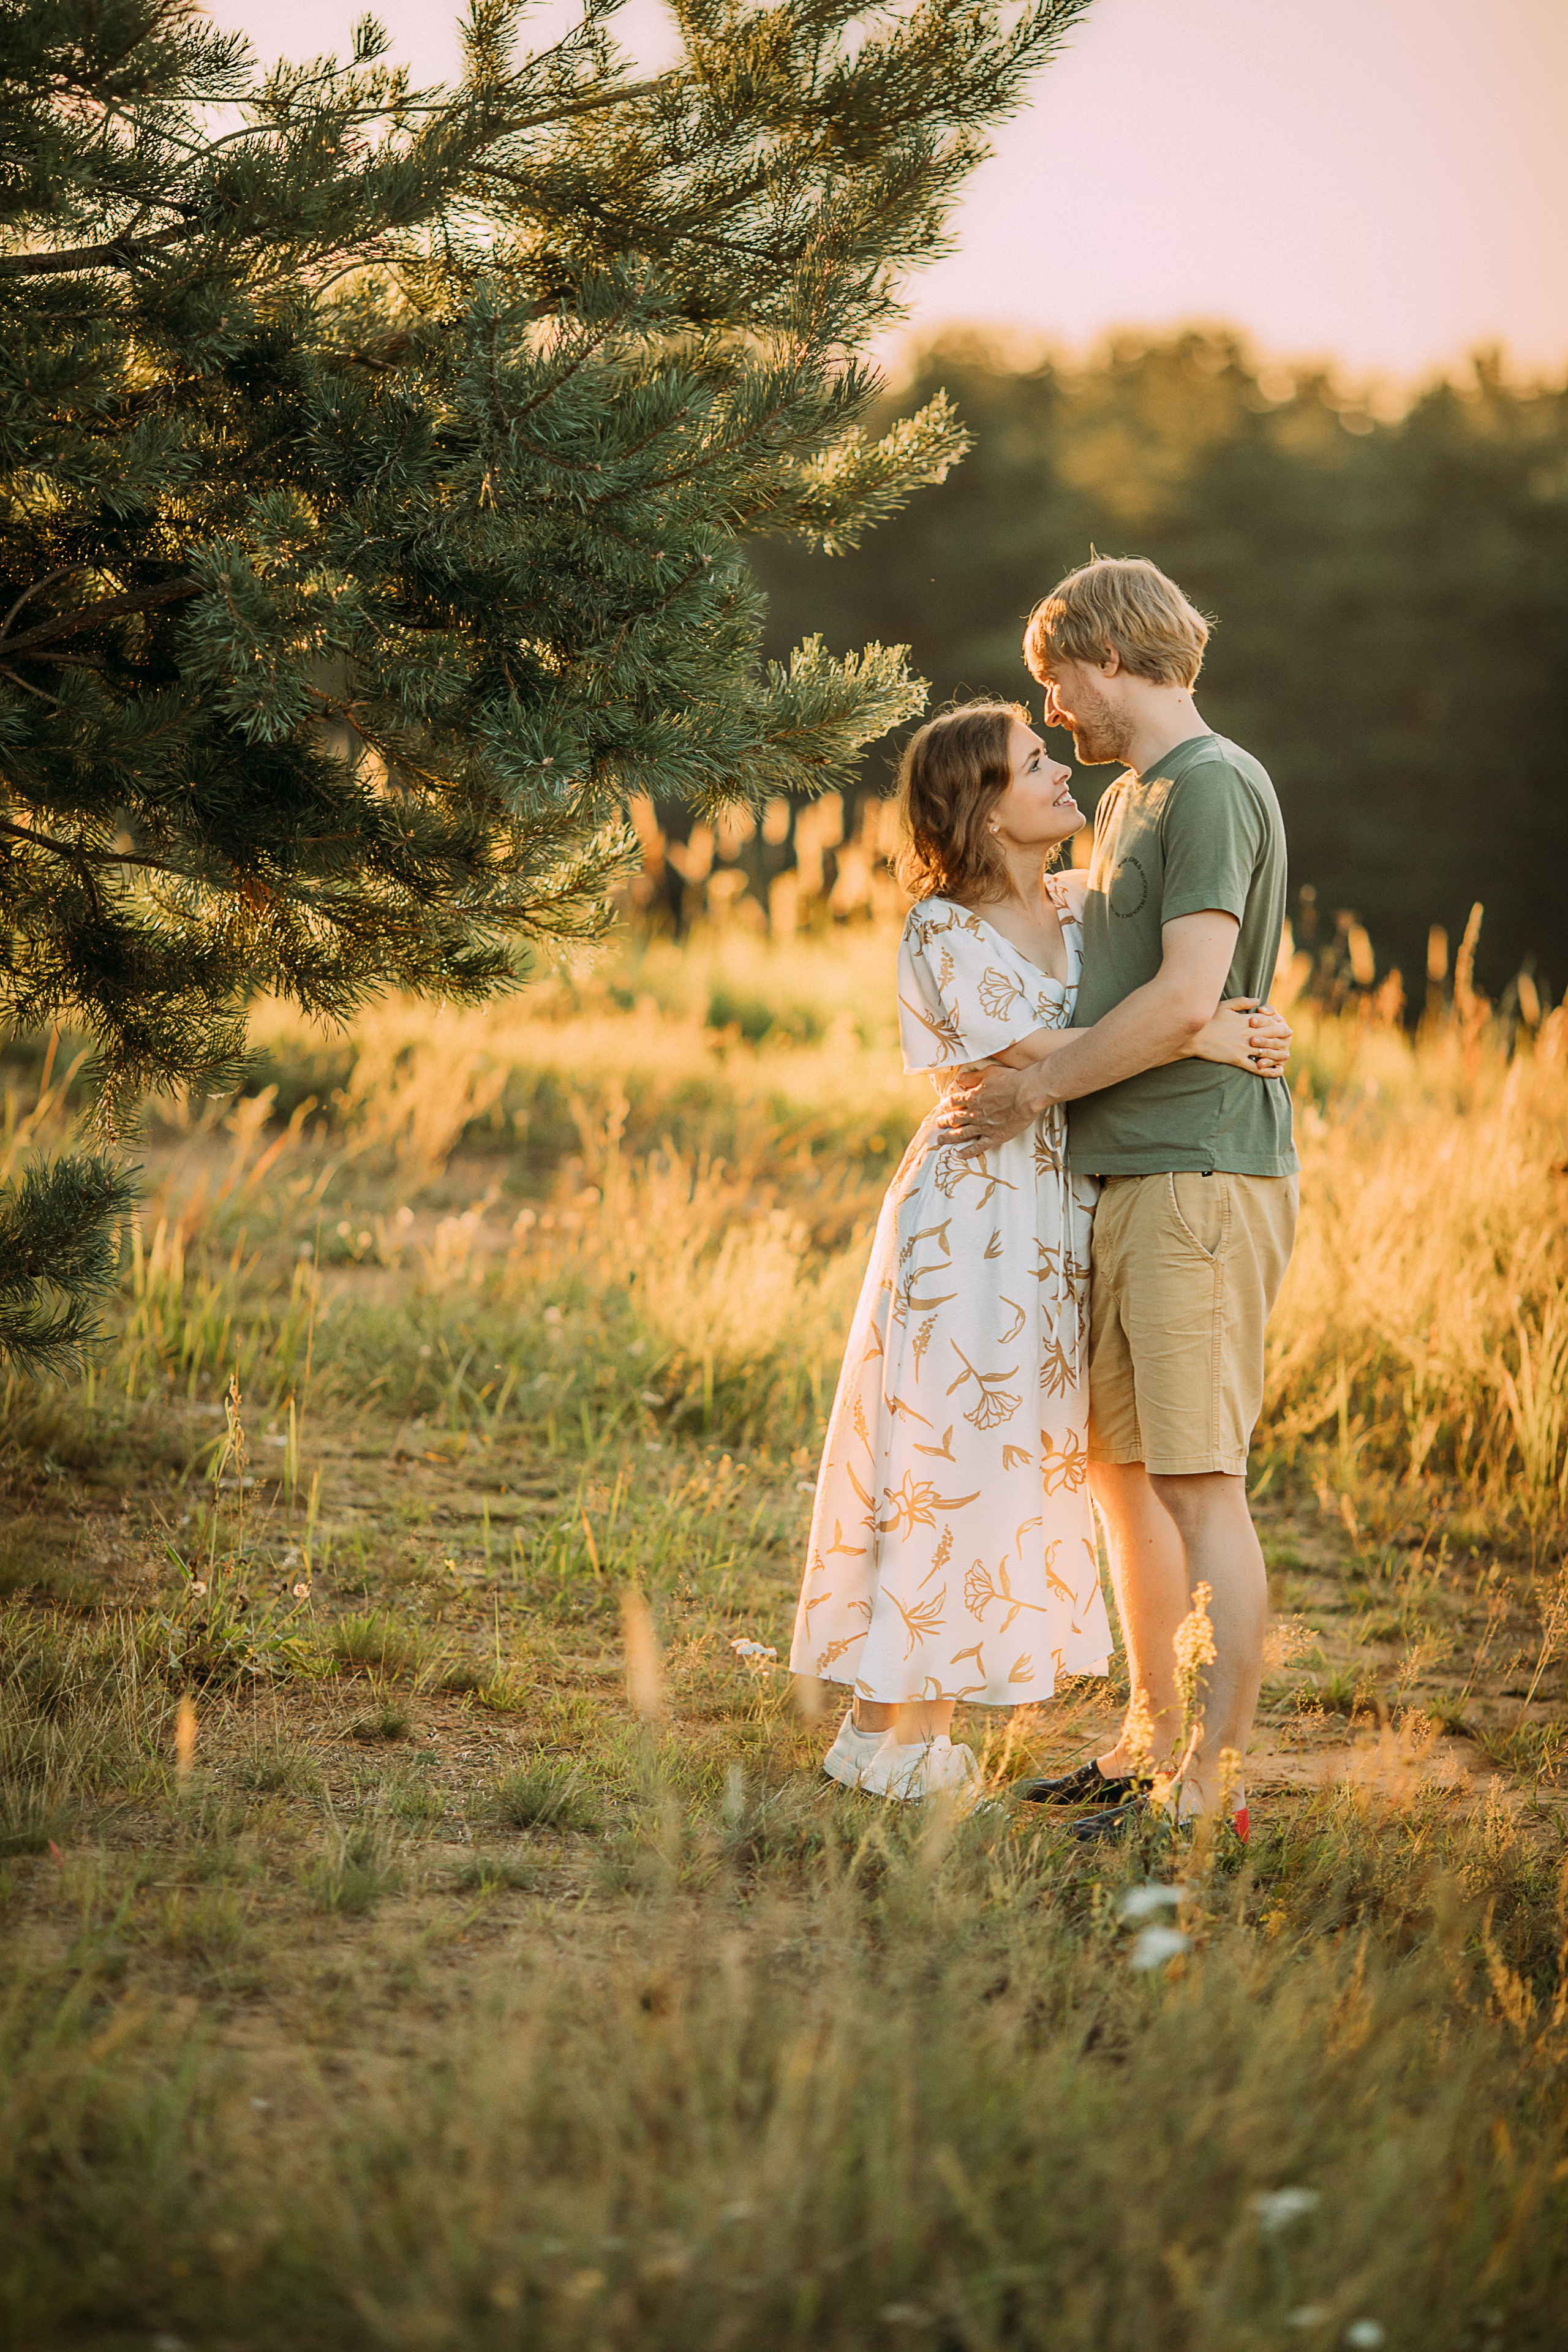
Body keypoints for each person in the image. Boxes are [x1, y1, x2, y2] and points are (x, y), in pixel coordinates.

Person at [790, 696, 1290, 1802]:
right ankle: (900, 1732)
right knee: (945, 1458)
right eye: (1033, 764)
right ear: (983, 810)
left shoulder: (1078, 906)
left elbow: (1152, 989)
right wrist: (1202, 1027)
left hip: (1062, 1212)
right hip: (973, 1218)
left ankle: (899, 1729)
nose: (1063, 771)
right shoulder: (941, 928)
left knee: (1013, 1465)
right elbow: (1027, 1048)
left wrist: (1219, 1013)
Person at [937, 559, 1298, 1842]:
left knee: (1198, 1481)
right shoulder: (1135, 799)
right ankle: (1147, 1746)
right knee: (1125, 1471)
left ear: (1103, 656)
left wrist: (1034, 1096)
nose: (1051, 709)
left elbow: (1186, 995)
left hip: (1197, 1175)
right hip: (1131, 1170)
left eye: (1053, 680)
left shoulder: (1207, 786)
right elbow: (1132, 980)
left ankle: (1205, 1795)